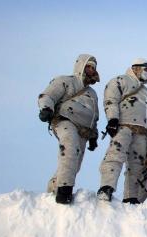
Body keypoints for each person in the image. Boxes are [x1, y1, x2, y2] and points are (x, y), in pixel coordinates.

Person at [38, 54, 100, 204]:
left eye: (93, 67)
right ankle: (64, 191)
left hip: (84, 130)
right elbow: (48, 95)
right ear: (80, 66)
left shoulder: (92, 94)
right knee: (70, 149)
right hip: (65, 120)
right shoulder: (66, 81)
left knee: (74, 163)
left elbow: (94, 117)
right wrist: (46, 108)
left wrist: (94, 135)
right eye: (88, 66)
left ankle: (53, 189)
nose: (91, 70)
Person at [97, 58, 147, 204]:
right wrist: (112, 119)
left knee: (136, 165)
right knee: (115, 156)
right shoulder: (121, 81)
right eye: (145, 68)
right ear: (135, 68)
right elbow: (111, 99)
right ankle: (107, 187)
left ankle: (131, 196)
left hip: (142, 132)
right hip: (123, 125)